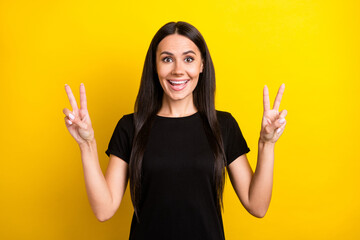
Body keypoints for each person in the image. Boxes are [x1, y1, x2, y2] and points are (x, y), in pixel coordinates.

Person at [62, 21, 287, 240]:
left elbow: (257, 205)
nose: (178, 70)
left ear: (202, 65)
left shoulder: (223, 125)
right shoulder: (131, 127)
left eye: (188, 59)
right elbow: (104, 209)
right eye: (167, 59)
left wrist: (267, 143)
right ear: (154, 66)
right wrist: (86, 144)